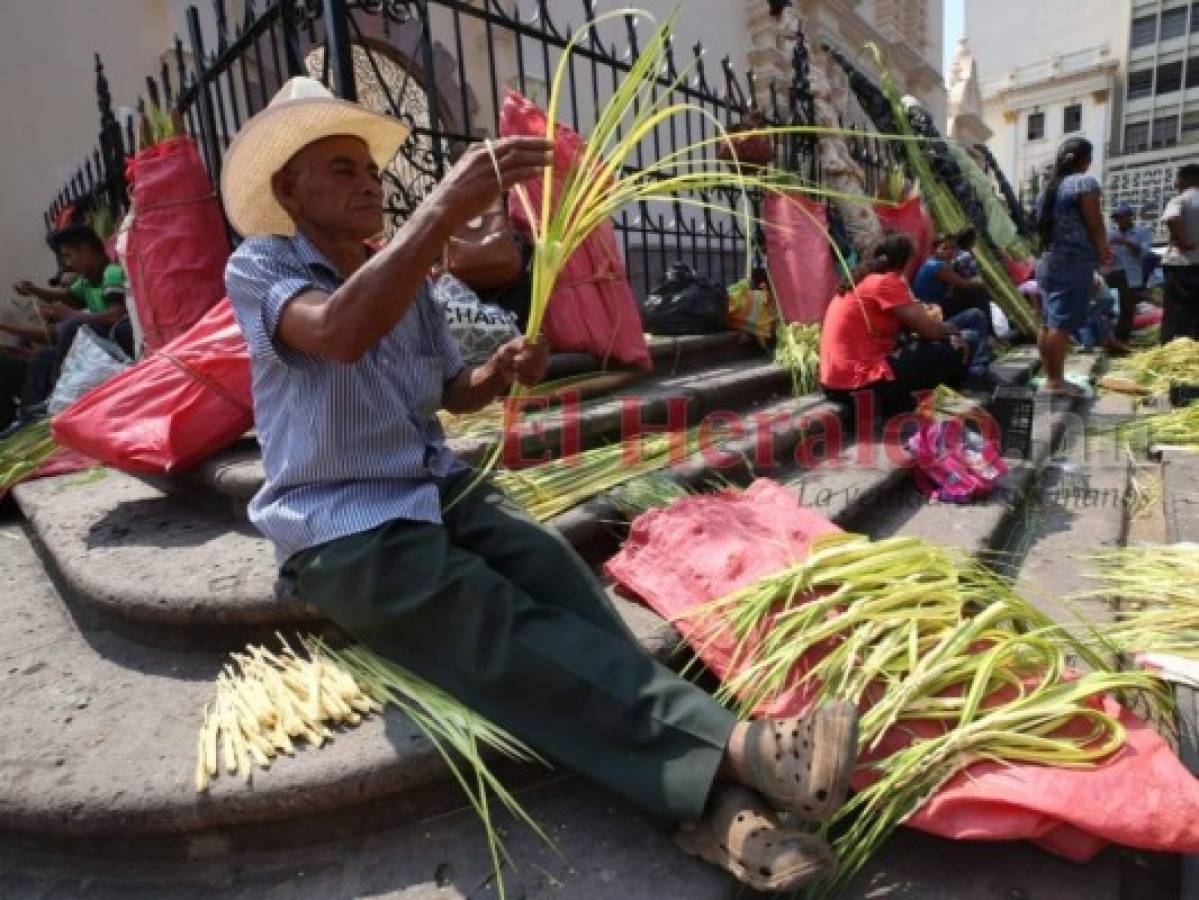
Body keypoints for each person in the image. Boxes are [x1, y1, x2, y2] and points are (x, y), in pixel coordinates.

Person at [222, 77, 859, 894]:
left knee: (558, 579)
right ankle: (745, 758)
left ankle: (718, 814)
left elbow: (455, 395)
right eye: (340, 170)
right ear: (289, 190)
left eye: (369, 169)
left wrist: (497, 372)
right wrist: (442, 211)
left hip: (435, 485)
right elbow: (337, 333)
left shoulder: (403, 277)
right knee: (497, 626)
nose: (367, 183)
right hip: (342, 526)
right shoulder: (263, 265)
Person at [820, 232, 989, 420]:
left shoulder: (861, 281)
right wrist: (953, 332)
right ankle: (925, 402)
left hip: (835, 384)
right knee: (966, 339)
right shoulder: (885, 282)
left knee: (962, 330)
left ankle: (908, 402)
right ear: (906, 261)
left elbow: (911, 327)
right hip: (859, 383)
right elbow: (931, 331)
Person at [1033, 137, 1113, 396]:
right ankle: (1056, 382)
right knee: (1061, 323)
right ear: (1085, 160)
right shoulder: (1083, 183)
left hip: (1047, 258)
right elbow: (1094, 222)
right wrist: (1103, 249)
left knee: (1048, 321)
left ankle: (1051, 377)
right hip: (1072, 259)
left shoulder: (1047, 190)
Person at [912, 232, 991, 325]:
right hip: (932, 311)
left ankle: (987, 327)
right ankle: (990, 332)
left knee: (971, 294)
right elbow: (963, 284)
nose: (949, 251)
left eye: (952, 248)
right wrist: (982, 285)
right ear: (935, 249)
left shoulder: (934, 262)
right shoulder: (936, 266)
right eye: (945, 248)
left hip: (937, 305)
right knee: (978, 291)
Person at [1160, 164, 1199, 343]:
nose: (1176, 183)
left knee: (1175, 309)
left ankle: (1171, 347)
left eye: (1177, 178)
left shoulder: (1180, 200)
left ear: (1186, 178)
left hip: (1180, 264)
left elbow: (1171, 218)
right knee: (1195, 311)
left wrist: (1183, 242)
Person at [1103, 204, 1150, 346]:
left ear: (1130, 217)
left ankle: (1122, 339)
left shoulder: (1141, 232)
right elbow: (1103, 251)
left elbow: (1143, 253)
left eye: (1122, 217)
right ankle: (1107, 337)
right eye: (1117, 218)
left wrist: (1124, 242)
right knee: (1105, 305)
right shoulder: (1110, 233)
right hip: (1112, 273)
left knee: (1127, 309)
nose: (1119, 221)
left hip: (1130, 275)